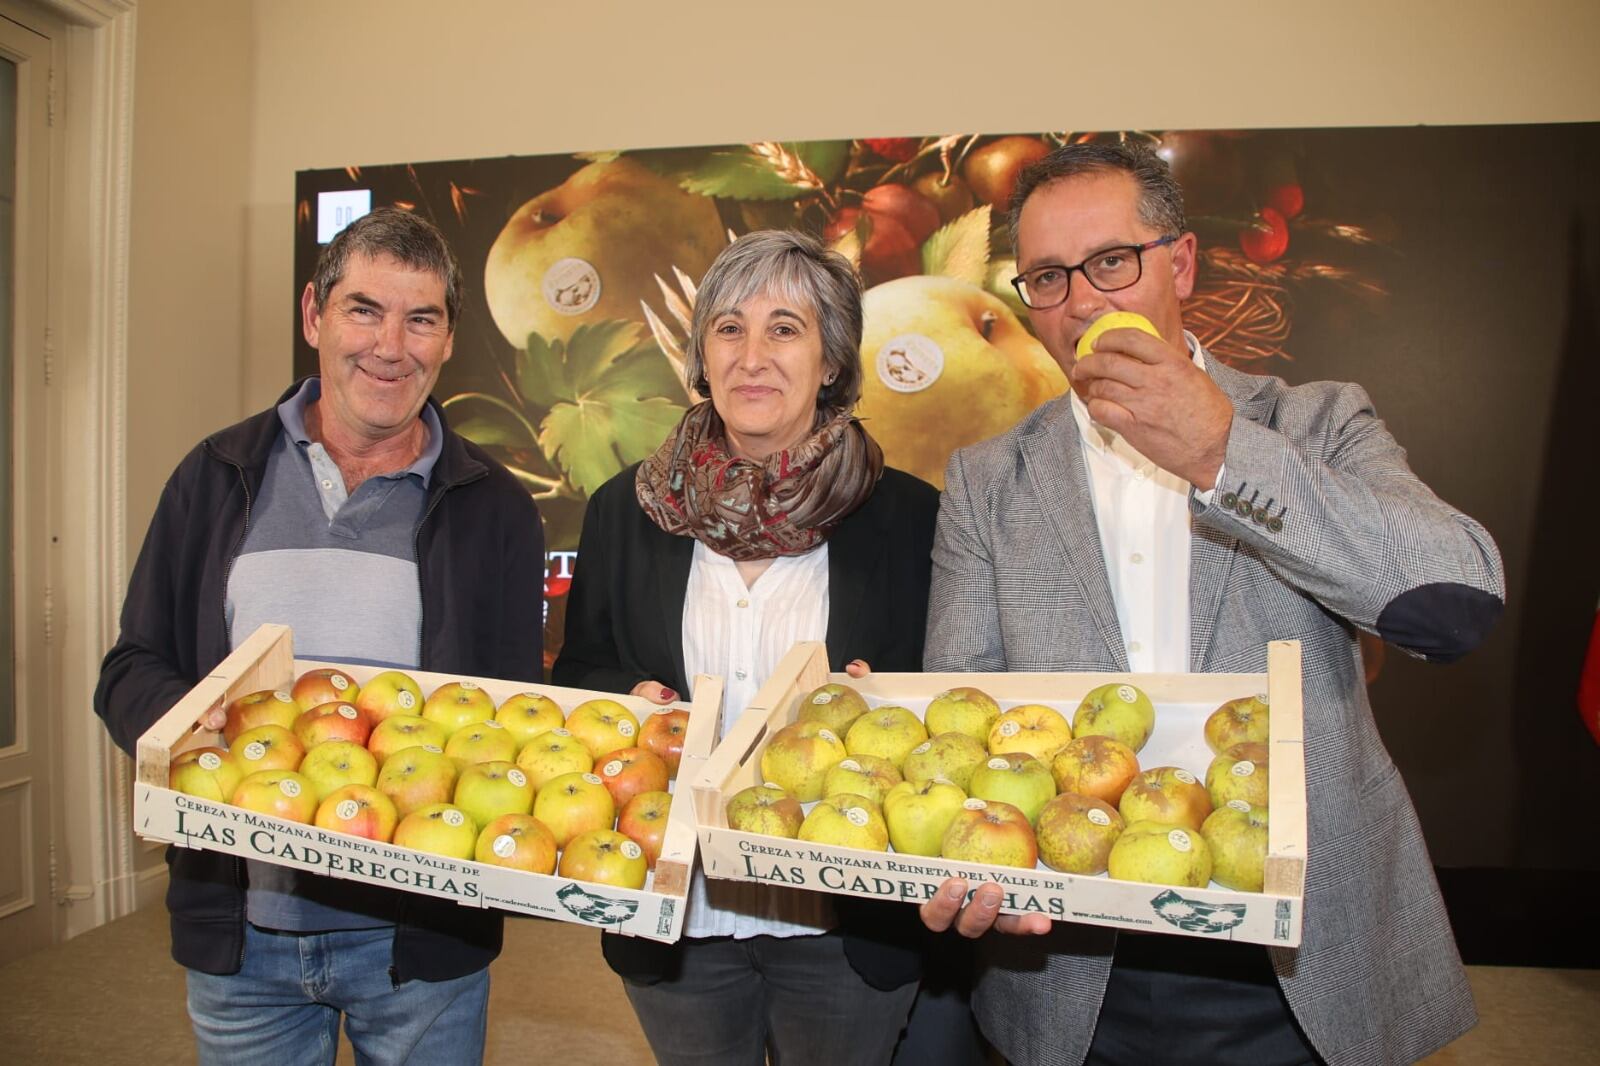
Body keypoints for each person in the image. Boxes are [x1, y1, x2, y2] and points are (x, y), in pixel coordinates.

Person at [918, 141, 1505, 1066]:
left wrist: (1222, 452)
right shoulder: (991, 480)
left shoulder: (1314, 423)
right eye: (1046, 278)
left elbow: (1458, 603)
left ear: (1181, 263)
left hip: (1297, 960)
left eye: (1112, 261)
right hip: (1073, 960)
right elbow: (969, 703)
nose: (1083, 302)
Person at [94, 207, 544, 1065]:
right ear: (314, 315)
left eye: (421, 319)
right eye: (364, 310)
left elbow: (511, 712)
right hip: (243, 932)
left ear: (449, 340)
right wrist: (184, 716)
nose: (391, 346)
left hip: (420, 944)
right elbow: (130, 666)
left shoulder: (495, 508)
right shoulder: (217, 476)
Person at [553, 229, 939, 1065]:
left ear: (832, 361)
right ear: (700, 353)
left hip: (843, 926)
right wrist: (629, 699)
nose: (752, 355)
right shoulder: (628, 509)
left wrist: (895, 705)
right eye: (729, 328)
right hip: (680, 920)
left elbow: (951, 702)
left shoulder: (908, 518)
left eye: (785, 328)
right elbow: (580, 669)